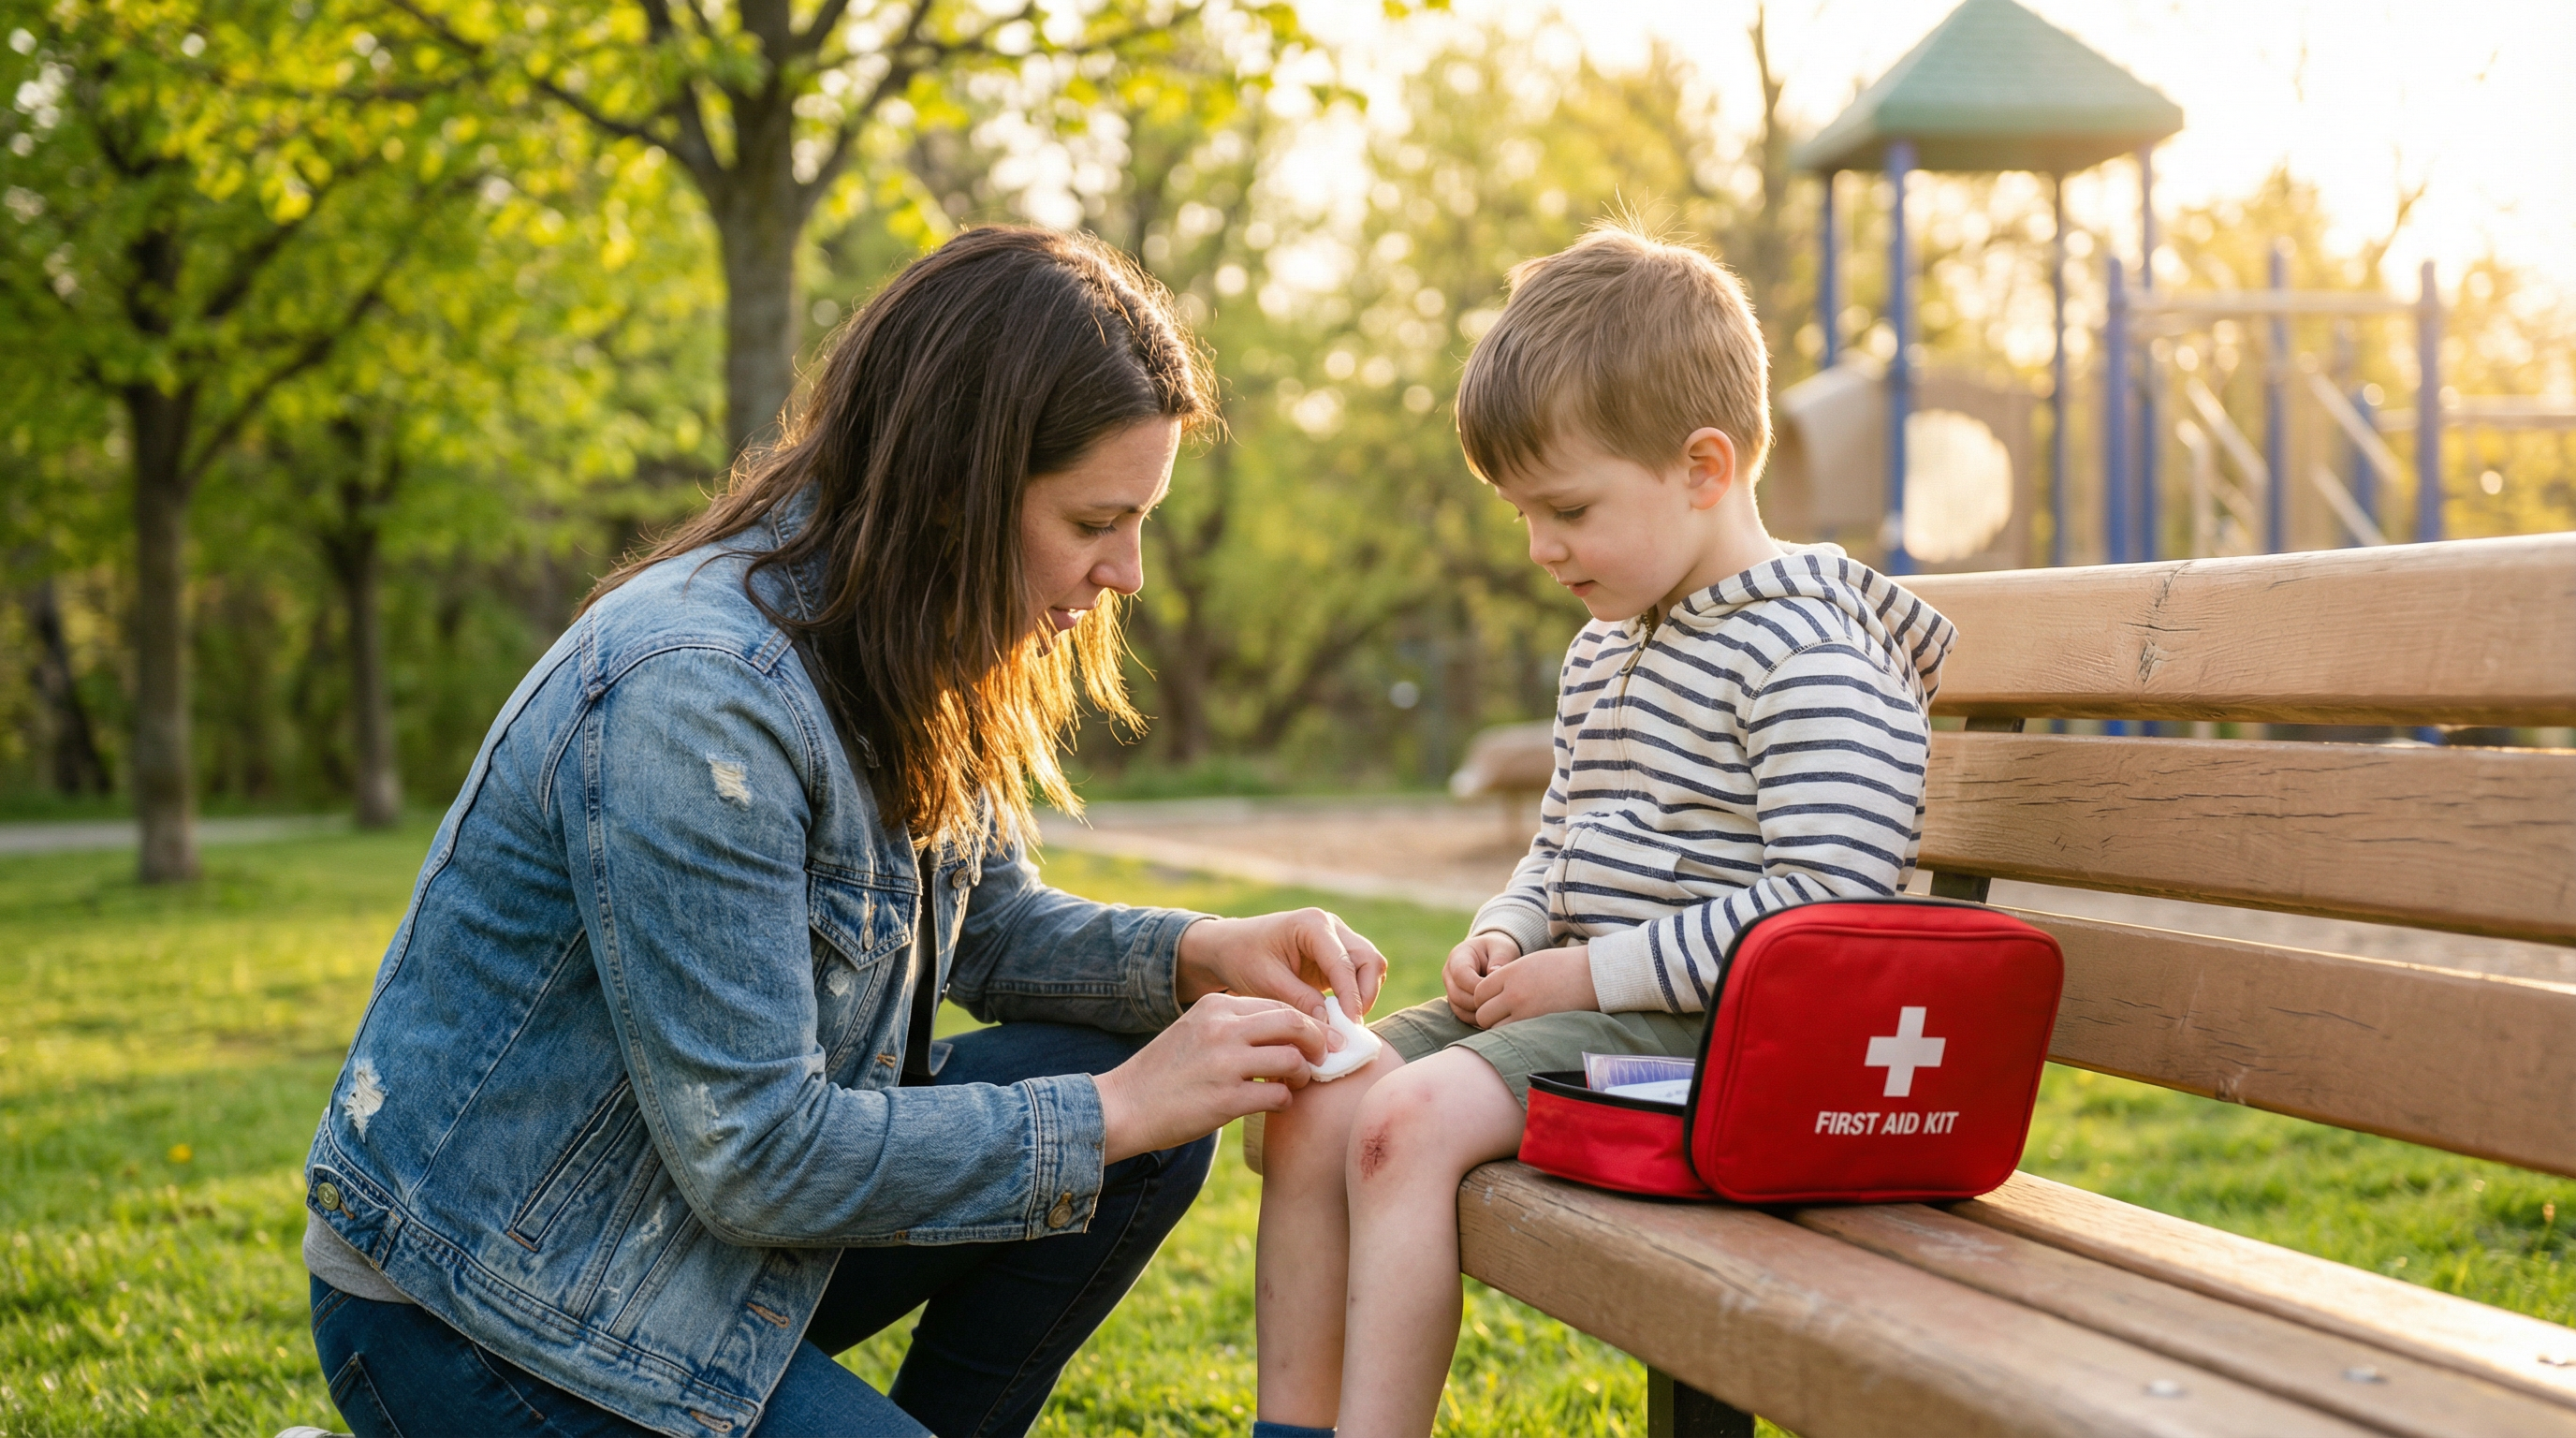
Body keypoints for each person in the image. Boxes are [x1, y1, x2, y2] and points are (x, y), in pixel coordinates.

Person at [299, 226, 1385, 1438]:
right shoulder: (696, 695)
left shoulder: (904, 635)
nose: (1126, 574)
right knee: (1117, 1115)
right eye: (1094, 522)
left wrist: (1198, 956)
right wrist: (1119, 1107)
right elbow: (760, 1154)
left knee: (1136, 1126)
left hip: (692, 1233)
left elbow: (989, 927)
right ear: (955, 490)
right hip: (500, 1296)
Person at [1248, 224, 1957, 1438]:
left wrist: (1592, 968)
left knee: (1407, 1122)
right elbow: (1563, 839)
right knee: (1317, 1098)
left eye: (1567, 508)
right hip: (1596, 1015)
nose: (1540, 548)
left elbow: (1831, 909)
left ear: (1703, 468)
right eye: (1523, 513)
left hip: (1723, 1053)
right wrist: (1511, 926)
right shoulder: (1608, 646)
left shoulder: (1813, 653)